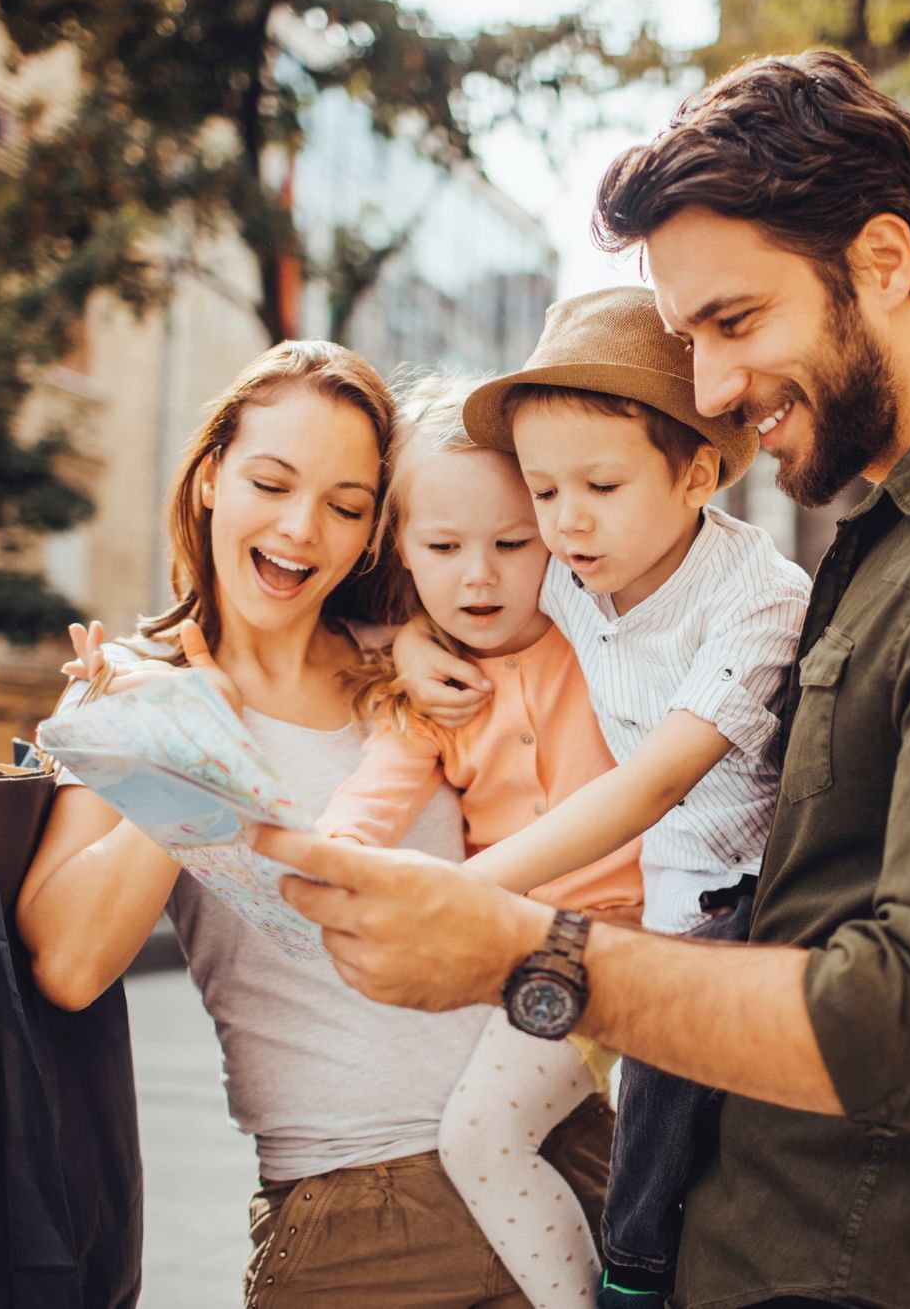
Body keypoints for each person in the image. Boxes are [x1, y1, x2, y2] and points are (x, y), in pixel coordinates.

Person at [260, 50, 910, 1307]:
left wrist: (523, 953)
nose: (709, 390)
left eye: (735, 321)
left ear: (884, 260)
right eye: (688, 336)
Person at [17, 341, 612, 1308]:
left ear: (376, 529)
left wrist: (411, 637)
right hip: (361, 1219)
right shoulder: (139, 695)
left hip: (564, 1153)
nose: (302, 528)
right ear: (211, 476)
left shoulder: (420, 655)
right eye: (271, 481)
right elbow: (70, 963)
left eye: (345, 505)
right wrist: (192, 740)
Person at [396, 286, 811, 1303]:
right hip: (657, 909)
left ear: (697, 474)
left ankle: (627, 1281)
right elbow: (456, 590)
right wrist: (411, 640)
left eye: (599, 484)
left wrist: (471, 888)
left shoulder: (758, 598)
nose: (563, 521)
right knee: (624, 1132)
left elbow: (655, 782)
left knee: (660, 1151)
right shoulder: (572, 569)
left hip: (752, 908)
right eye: (542, 492)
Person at [314, 371, 646, 1307]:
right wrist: (324, 862)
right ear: (400, 552)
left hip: (657, 928)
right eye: (443, 546)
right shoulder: (432, 691)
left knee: (657, 1147)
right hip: (547, 958)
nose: (479, 575)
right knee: (486, 1135)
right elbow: (365, 808)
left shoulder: (600, 628)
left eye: (512, 542)